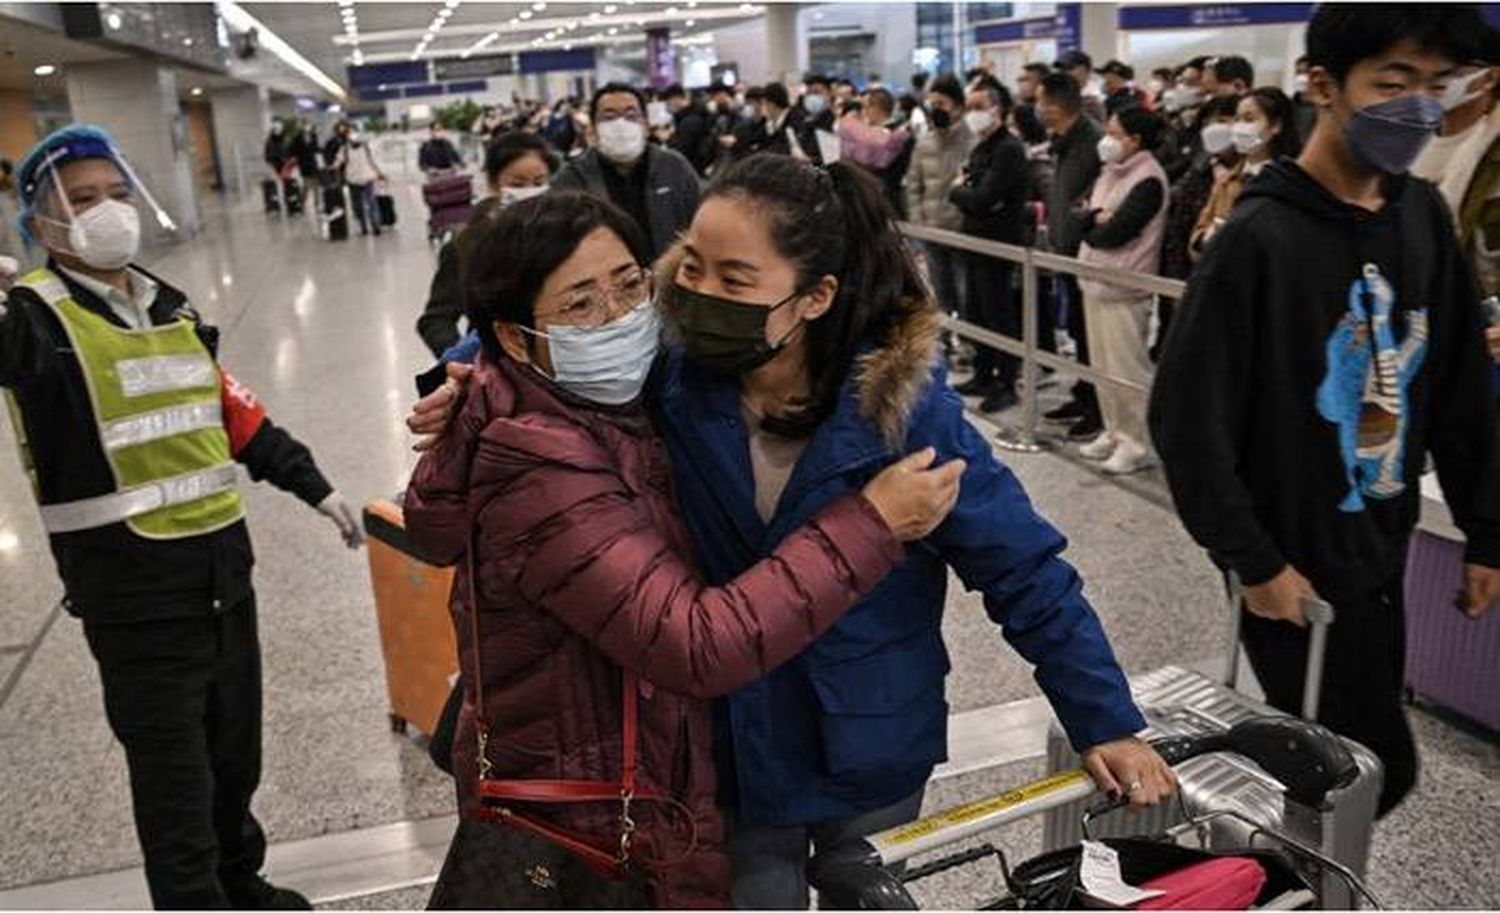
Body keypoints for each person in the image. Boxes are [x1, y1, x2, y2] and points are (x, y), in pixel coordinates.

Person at [405, 189, 963, 908]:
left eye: (631, 284)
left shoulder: (610, 398)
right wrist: (871, 522)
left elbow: (1020, 558)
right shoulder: (543, 469)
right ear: (516, 339)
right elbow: (694, 643)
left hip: (648, 765)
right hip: (600, 821)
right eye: (580, 305)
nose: (619, 317)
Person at [650, 154, 1172, 909]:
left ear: (815, 297)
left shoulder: (900, 411)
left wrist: (1106, 719)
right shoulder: (669, 377)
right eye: (689, 267)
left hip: (866, 730)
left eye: (734, 282)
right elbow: (551, 352)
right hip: (726, 741)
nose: (697, 295)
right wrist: (469, 386)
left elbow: (1022, 566)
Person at [1150, 4, 1500, 819]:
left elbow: (1455, 392)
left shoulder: (1420, 215)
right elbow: (1186, 419)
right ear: (1320, 84)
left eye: (1435, 84)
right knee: (1362, 775)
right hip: (1291, 568)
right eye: (1392, 81)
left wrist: (1488, 529)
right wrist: (1254, 561)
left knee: (1343, 774)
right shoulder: (1259, 239)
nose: (1419, 105)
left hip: (1382, 544)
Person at [1, 125, 363, 909]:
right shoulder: (28, 320)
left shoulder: (168, 302)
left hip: (223, 578)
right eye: (83, 199)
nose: (107, 212)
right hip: (132, 597)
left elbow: (230, 413)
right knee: (175, 780)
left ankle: (240, 881)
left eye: (117, 192)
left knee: (235, 756)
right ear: (41, 224)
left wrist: (314, 485)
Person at [1074, 106, 1169, 476]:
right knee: (1102, 366)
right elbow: (1082, 213)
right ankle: (1113, 431)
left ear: (1136, 140)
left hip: (1125, 285)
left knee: (1126, 368)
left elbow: (1115, 232)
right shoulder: (1109, 172)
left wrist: (1093, 221)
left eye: (1115, 134)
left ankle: (1136, 442)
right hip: (1094, 278)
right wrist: (1092, 219)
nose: (1107, 140)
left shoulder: (1148, 179)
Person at [418, 131, 555, 359]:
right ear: (493, 183)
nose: (530, 191)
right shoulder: (467, 246)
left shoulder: (573, 235)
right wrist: (464, 359)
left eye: (539, 182)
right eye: (518, 183)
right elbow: (435, 320)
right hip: (502, 368)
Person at [950, 80, 1032, 414]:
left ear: (997, 110)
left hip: (999, 241)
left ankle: (1006, 382)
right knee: (977, 312)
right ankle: (983, 372)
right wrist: (966, 192)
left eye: (979, 107)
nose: (973, 114)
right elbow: (972, 190)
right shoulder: (981, 146)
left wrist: (960, 192)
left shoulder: (1008, 149)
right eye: (969, 108)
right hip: (975, 239)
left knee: (999, 314)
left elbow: (983, 198)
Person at [553, 83, 701, 260]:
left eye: (631, 116)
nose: (620, 125)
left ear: (646, 126)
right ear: (592, 130)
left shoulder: (674, 167)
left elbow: (700, 225)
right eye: (609, 117)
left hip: (669, 278)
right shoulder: (573, 178)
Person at [1038, 72, 1105, 439]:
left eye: (1040, 101)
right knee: (1077, 331)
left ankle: (1098, 407)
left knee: (1088, 332)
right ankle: (1083, 393)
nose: (1037, 108)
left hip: (1084, 252)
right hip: (1064, 249)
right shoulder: (1064, 140)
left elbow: (1091, 197)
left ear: (1053, 105)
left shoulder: (1091, 140)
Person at [1190, 87, 1302, 260]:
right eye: (1237, 120)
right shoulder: (1226, 180)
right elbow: (1195, 242)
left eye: (1249, 119)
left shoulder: (1292, 181)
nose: (1239, 128)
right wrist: (1208, 237)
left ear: (1276, 125)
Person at [905, 74, 976, 325]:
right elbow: (913, 185)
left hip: (962, 234)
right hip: (932, 233)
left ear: (958, 105)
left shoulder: (974, 141)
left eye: (941, 104)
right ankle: (946, 346)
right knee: (941, 298)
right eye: (932, 105)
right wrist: (918, 223)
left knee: (967, 297)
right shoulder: (925, 143)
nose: (936, 110)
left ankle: (968, 345)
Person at [1160, 93, 1243, 283]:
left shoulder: (1251, 175)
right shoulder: (1199, 169)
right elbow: (1179, 225)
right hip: (1187, 271)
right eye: (1207, 123)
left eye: (1222, 120)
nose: (1212, 129)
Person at [837, 87, 914, 215]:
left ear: (875, 108)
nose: (863, 113)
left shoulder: (892, 137)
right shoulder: (897, 133)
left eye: (865, 107)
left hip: (883, 201)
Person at [341, 127, 387, 237]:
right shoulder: (345, 149)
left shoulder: (366, 147)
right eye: (350, 134)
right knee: (358, 206)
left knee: (372, 203)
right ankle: (364, 228)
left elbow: (373, 161)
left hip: (368, 178)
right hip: (353, 180)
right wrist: (332, 168)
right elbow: (339, 161)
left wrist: (380, 173)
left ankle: (376, 226)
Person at [664, 84, 714, 175]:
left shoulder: (689, 121)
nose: (667, 105)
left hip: (693, 169)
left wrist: (667, 138)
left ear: (676, 98)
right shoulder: (695, 114)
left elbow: (681, 150)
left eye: (668, 102)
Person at [1056, 49, 1106, 122]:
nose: (1064, 73)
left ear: (1086, 71)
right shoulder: (1061, 96)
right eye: (1062, 69)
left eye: (1069, 68)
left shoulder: (1091, 102)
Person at [1015, 62, 1053, 144]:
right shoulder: (1021, 105)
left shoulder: (1025, 110)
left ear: (1041, 84)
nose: (1021, 84)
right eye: (1020, 80)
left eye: (1027, 80)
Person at [1292, 55, 1319, 141]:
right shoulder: (1288, 107)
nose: (1301, 77)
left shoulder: (1323, 109)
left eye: (1306, 72)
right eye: (1298, 72)